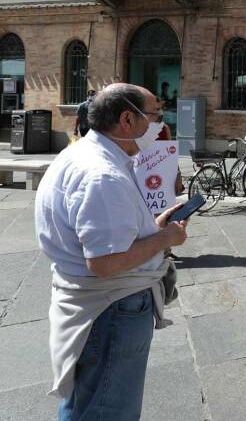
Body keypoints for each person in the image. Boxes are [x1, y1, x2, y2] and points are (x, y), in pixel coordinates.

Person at [35, 84, 188, 419]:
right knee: (107, 409)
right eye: (155, 115)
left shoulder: (88, 156)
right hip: (112, 311)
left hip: (99, 306)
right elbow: (105, 262)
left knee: (87, 402)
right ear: (127, 119)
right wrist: (165, 239)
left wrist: (153, 227)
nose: (160, 125)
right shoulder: (101, 174)